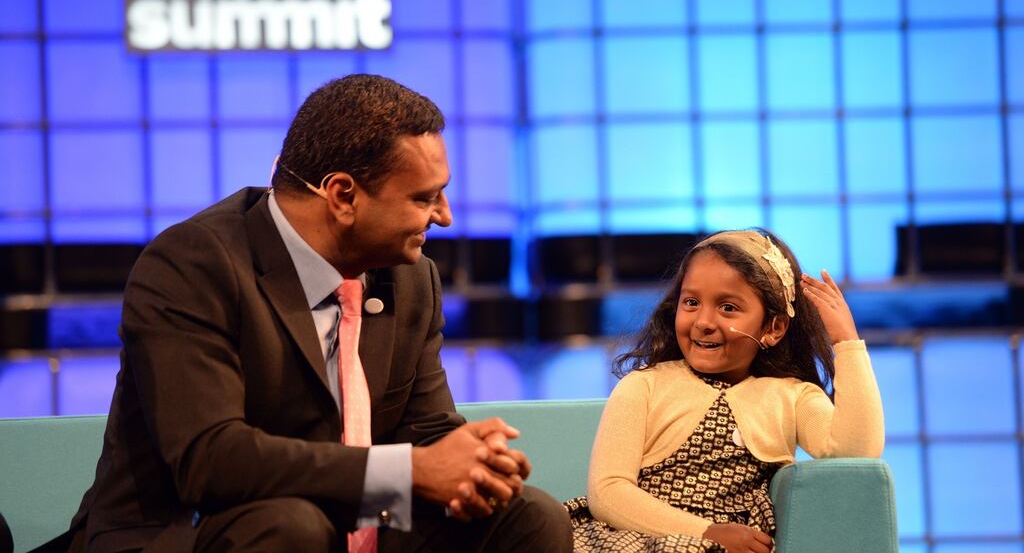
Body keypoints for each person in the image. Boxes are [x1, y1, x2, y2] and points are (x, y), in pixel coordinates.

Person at [57, 74, 572, 552]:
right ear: (343, 194)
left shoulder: (412, 277)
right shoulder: (193, 265)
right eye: (425, 198)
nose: (444, 215)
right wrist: (410, 471)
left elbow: (424, 434)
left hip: (352, 522)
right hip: (190, 530)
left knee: (532, 518)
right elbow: (208, 460)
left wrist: (472, 464)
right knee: (293, 528)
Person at [564, 228, 884, 553]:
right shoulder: (643, 386)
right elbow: (608, 491)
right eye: (691, 302)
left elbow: (857, 449)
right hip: (634, 540)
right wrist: (706, 532)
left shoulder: (790, 396)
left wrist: (846, 343)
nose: (703, 321)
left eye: (728, 308)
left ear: (774, 327)